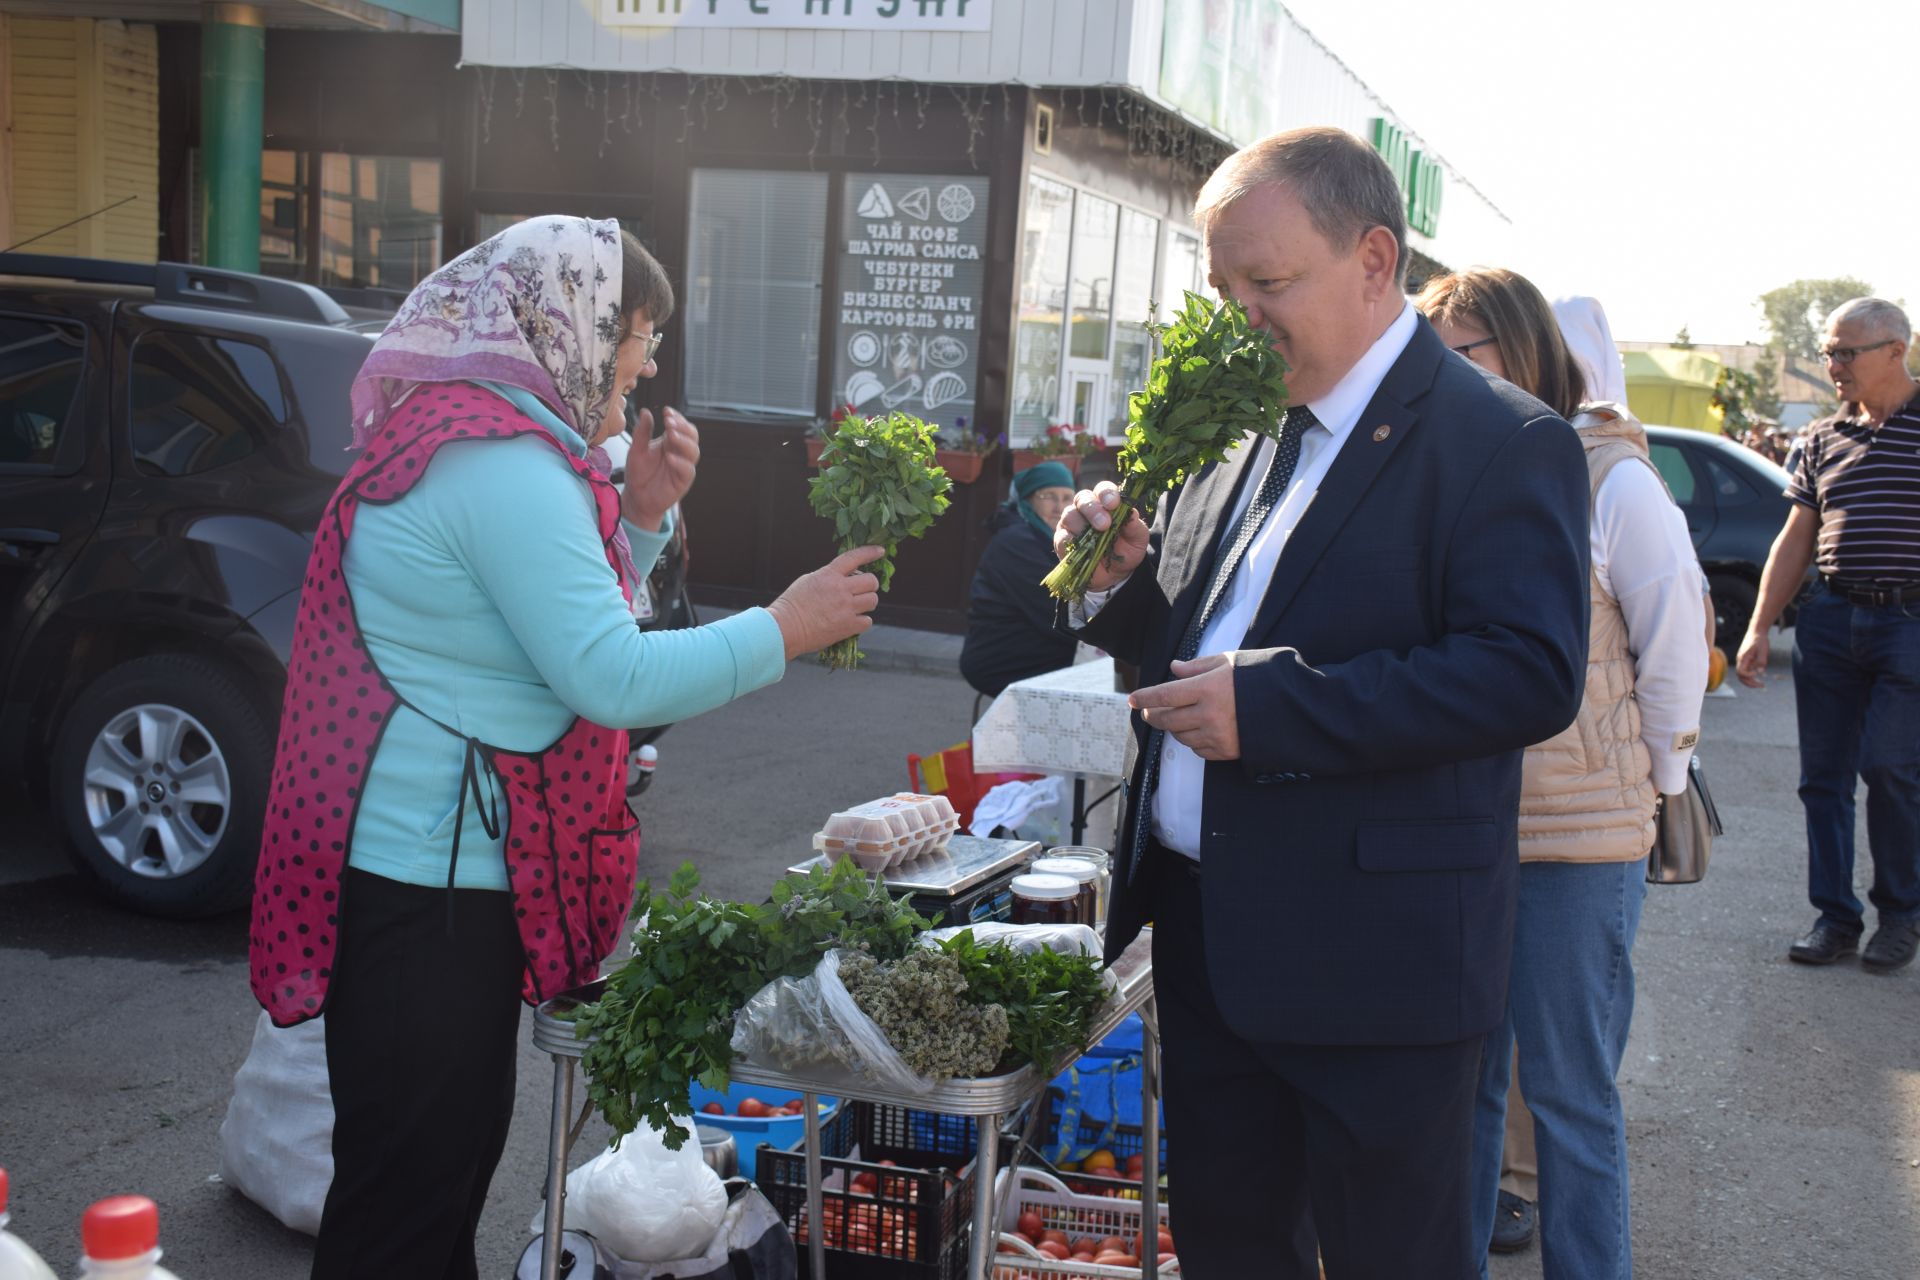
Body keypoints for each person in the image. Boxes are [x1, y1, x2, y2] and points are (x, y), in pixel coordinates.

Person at [245, 217, 883, 1280]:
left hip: (416, 886)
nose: (647, 362)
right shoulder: (500, 460)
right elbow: (609, 677)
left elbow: (538, 635)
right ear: (574, 322)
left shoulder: (478, 432)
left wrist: (636, 520)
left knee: (423, 1197)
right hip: (433, 902)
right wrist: (788, 623)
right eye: (637, 333)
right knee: (405, 1213)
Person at [1055, 128, 1592, 1278]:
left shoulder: (1503, 441)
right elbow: (1198, 657)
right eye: (1222, 285)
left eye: (1269, 282)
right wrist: (1122, 591)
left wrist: (1282, 711)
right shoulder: (1242, 428)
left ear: (1374, 259)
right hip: (1208, 945)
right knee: (1232, 1252)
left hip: (1376, 977)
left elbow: (1528, 671)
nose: (1240, 312)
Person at [1421, 269, 1708, 1280]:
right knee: (1465, 1089)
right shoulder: (1446, 464)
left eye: (1466, 352)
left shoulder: (1608, 476)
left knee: (1569, 1089)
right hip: (1460, 829)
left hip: (1576, 840)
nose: (1441, 373)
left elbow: (1675, 632)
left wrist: (1660, 780)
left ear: (1524, 349)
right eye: (1432, 352)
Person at [1737, 297, 1920, 975]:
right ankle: (1835, 918)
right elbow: (1794, 542)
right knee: (1823, 780)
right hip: (1831, 619)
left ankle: (1901, 915)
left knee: (1892, 768)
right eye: (1830, 353)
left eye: (1848, 352)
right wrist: (1758, 628)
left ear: (1897, 351)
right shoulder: (1821, 438)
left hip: (1909, 624)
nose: (1834, 365)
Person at [960, 461, 1080, 697]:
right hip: (999, 660)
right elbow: (1054, 611)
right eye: (1048, 496)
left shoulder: (1049, 537)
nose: (1059, 507)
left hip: (1032, 647)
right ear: (1028, 500)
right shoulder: (1017, 541)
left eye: (1067, 498)